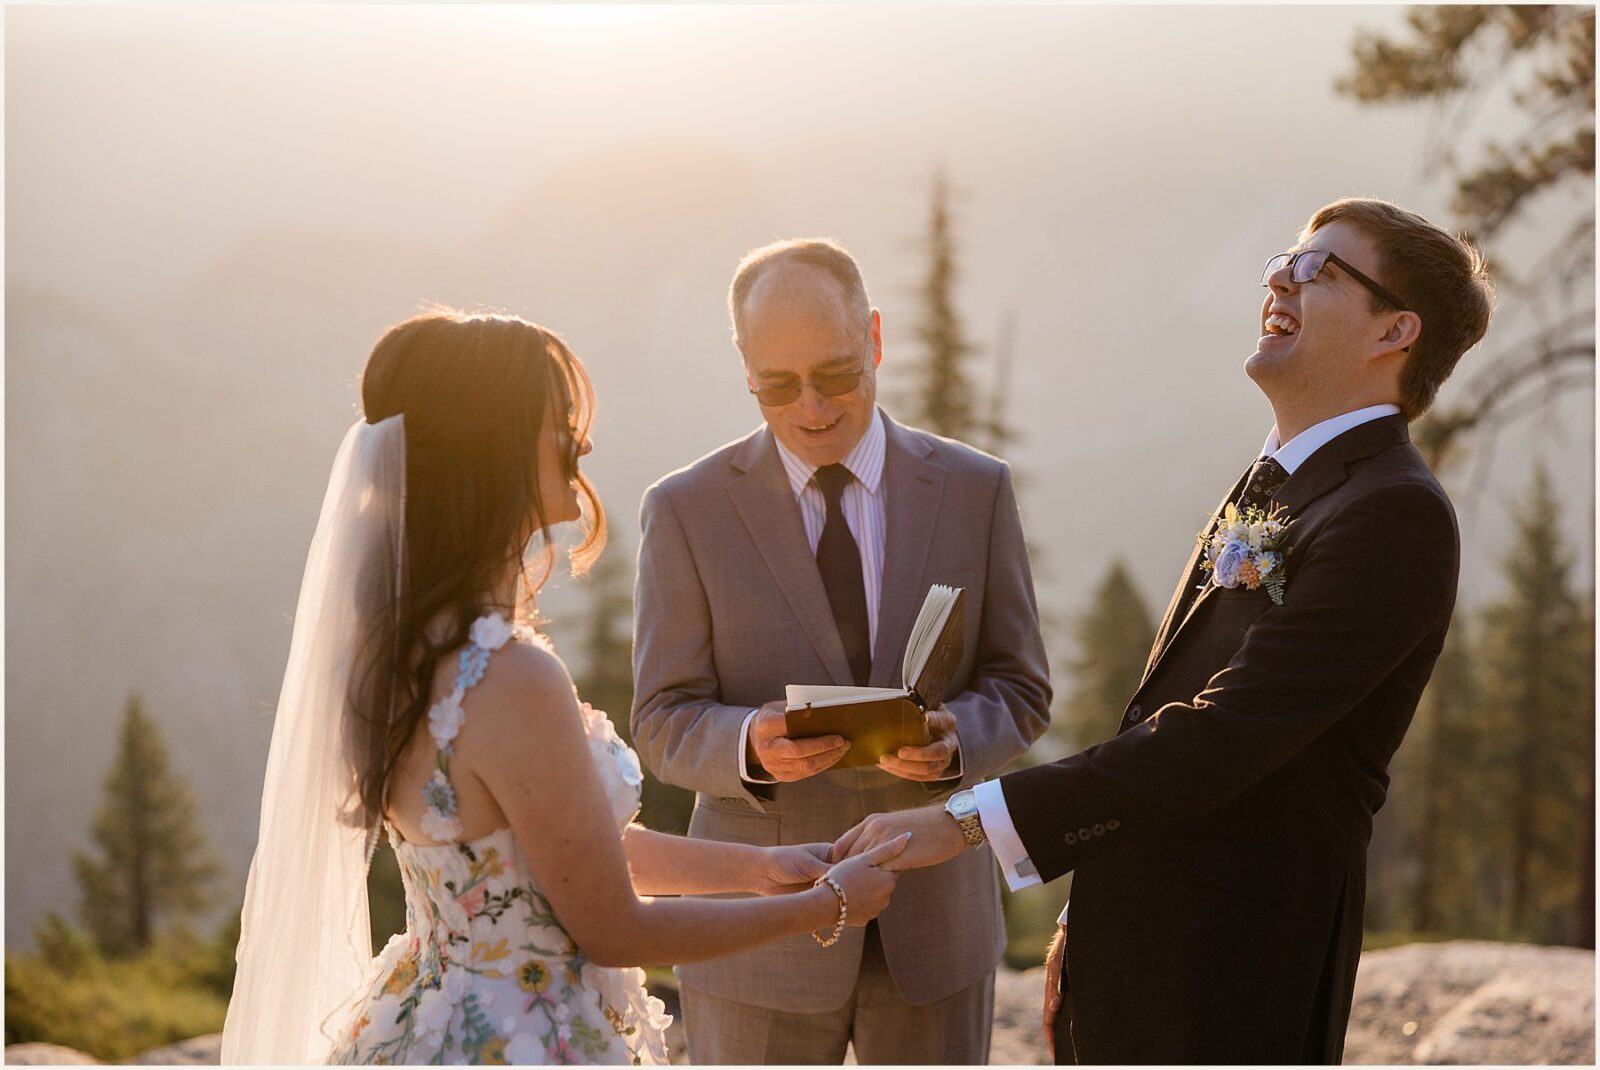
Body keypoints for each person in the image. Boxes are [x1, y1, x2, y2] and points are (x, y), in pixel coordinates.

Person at [832, 198, 1496, 1064]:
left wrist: (966, 819)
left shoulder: (1394, 513)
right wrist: (1089, 906)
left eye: (1318, 270)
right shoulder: (1276, 482)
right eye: (1284, 258)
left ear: (1394, 332)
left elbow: (1225, 733)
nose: (1276, 279)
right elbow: (1162, 712)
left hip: (1236, 972)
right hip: (1140, 944)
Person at [220, 310, 908, 1065]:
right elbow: (614, 927)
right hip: (522, 1040)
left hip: (428, 1026)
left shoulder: (406, 648)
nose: (583, 444)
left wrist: (760, 870)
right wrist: (827, 906)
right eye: (559, 424)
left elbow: (559, 853)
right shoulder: (511, 677)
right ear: (498, 448)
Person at [630, 239, 1052, 1064]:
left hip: (937, 927)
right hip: (756, 939)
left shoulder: (974, 489)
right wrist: (746, 745)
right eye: (778, 386)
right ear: (744, 368)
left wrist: (957, 741)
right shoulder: (684, 511)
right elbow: (660, 718)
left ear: (877, 341)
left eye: (837, 374)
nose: (812, 407)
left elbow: (1022, 688)